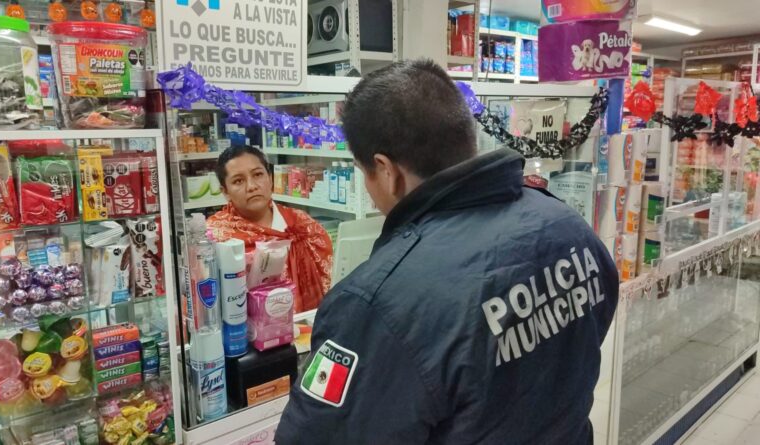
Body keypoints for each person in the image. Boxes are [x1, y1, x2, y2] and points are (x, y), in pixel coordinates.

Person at [275, 59, 618, 444]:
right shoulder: (564, 222)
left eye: (363, 172)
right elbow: (595, 320)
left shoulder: (379, 303)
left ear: (386, 170)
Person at [206, 145, 333, 312]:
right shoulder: (215, 237)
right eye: (238, 181)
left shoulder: (302, 224)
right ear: (225, 192)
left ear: (271, 178)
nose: (251, 186)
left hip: (306, 324)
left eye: (258, 174)